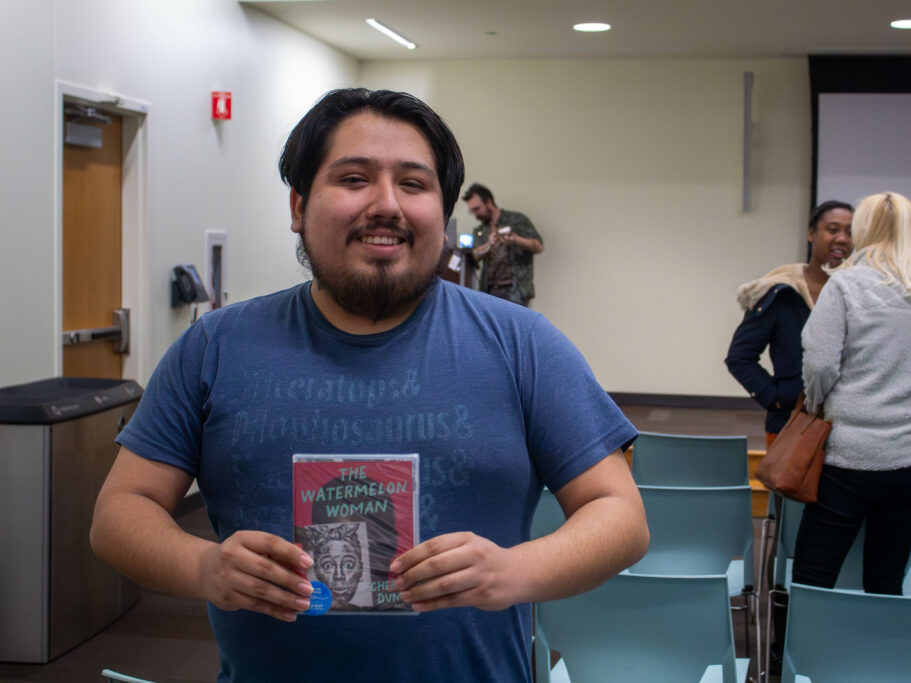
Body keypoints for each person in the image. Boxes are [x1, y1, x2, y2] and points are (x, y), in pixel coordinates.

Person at [89, 88, 648, 682]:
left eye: (414, 184)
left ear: (442, 208)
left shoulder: (522, 345)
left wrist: (512, 572)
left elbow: (620, 516)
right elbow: (120, 512)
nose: (387, 205)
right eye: (354, 179)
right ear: (299, 205)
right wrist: (203, 566)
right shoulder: (215, 347)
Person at [793, 191, 911, 594]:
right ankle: (876, 657)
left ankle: (795, 659)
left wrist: (818, 406)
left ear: (864, 230)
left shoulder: (845, 286)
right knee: (886, 583)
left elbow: (819, 367)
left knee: (814, 581)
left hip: (850, 458)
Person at [725, 201, 854, 442]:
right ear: (811, 233)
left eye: (850, 232)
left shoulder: (861, 295)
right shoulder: (781, 293)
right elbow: (740, 357)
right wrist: (778, 398)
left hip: (849, 429)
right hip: (790, 426)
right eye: (833, 229)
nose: (842, 239)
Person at [463, 183, 544, 305]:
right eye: (472, 211)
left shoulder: (517, 220)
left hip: (515, 291)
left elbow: (539, 246)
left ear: (489, 202)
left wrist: (515, 239)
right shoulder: (479, 231)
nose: (475, 214)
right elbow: (474, 256)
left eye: (477, 208)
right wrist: (489, 245)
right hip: (488, 291)